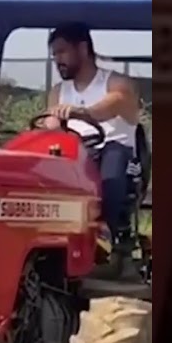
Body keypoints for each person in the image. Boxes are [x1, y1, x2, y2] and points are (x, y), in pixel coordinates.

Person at [41, 22, 141, 280]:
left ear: (83, 48)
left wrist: (80, 113)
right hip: (76, 154)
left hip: (118, 157)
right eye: (54, 55)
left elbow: (111, 105)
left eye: (62, 52)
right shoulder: (58, 92)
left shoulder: (117, 83)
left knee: (111, 162)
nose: (57, 60)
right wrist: (49, 126)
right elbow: (50, 124)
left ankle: (110, 237)